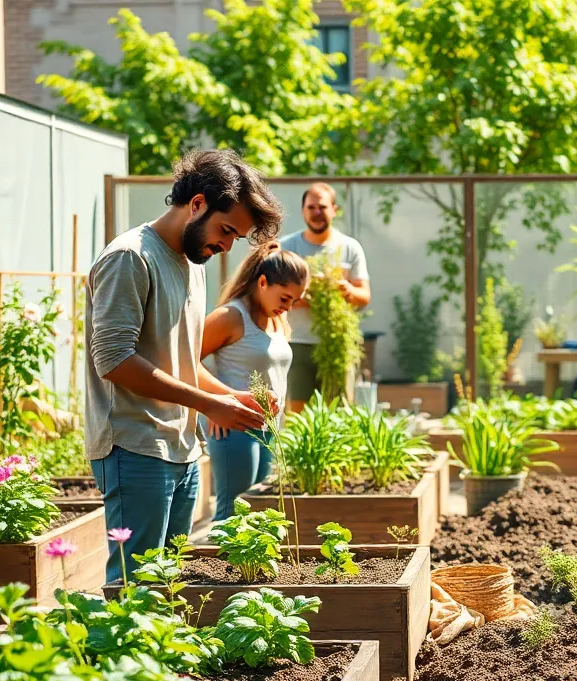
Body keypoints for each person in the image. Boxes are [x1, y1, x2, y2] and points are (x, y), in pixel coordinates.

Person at [85, 149, 284, 583]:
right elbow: (114, 360)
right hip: (134, 444)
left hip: (183, 448)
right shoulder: (130, 257)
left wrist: (228, 396)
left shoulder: (193, 262)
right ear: (196, 204)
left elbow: (181, 360)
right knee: (135, 585)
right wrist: (210, 405)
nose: (228, 245)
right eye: (226, 230)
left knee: (169, 581)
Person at [200, 242, 310, 522]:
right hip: (235, 426)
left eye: (294, 301)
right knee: (232, 511)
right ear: (262, 282)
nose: (289, 307)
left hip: (268, 427)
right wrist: (216, 401)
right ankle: (213, 566)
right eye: (285, 298)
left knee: (257, 512)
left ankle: (246, 569)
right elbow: (184, 361)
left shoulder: (275, 320)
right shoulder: (230, 317)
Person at [279, 183, 370, 412]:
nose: (317, 213)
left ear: (334, 209)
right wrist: (309, 296)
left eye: (322, 207)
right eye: (311, 207)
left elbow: (364, 296)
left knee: (339, 411)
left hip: (337, 344)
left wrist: (346, 291)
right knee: (299, 413)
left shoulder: (350, 248)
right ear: (303, 211)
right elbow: (273, 297)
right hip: (297, 343)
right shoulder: (288, 248)